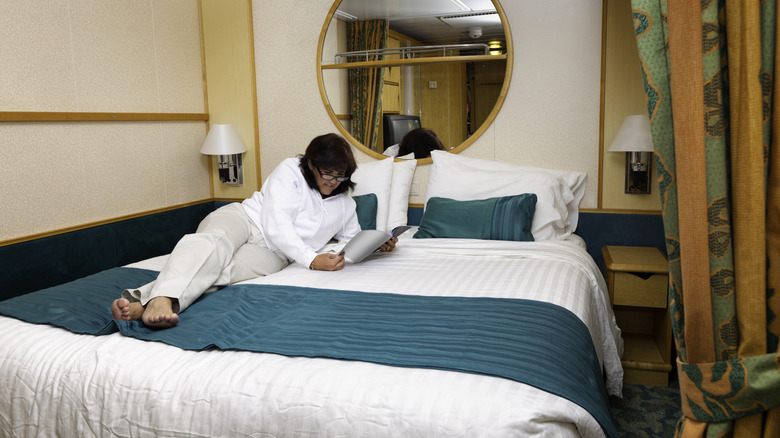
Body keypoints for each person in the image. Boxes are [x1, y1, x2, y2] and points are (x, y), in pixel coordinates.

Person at [111, 133, 397, 329]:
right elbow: (277, 224)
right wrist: (311, 259)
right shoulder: (290, 171)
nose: (333, 181)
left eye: (340, 175)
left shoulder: (345, 203)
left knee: (225, 272)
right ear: (311, 163)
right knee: (212, 244)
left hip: (275, 254)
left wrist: (376, 244)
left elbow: (350, 239)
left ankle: (144, 301)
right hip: (247, 219)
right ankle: (161, 300)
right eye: (327, 173)